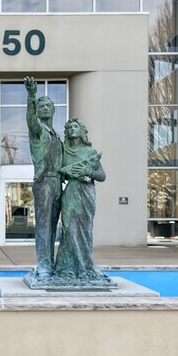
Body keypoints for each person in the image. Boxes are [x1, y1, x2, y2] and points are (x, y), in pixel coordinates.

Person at [53, 118, 112, 284]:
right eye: (69, 127)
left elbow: (102, 176)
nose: (72, 129)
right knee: (69, 229)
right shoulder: (63, 151)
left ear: (82, 131)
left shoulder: (90, 152)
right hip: (70, 192)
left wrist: (88, 171)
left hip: (86, 192)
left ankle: (86, 266)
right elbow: (59, 173)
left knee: (85, 230)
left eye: (75, 126)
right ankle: (66, 268)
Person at [24, 77, 63, 282]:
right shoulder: (38, 130)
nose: (45, 108)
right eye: (41, 106)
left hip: (58, 184)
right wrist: (32, 96)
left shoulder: (56, 135)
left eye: (48, 105)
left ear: (54, 110)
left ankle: (51, 263)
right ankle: (44, 266)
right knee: (44, 226)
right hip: (44, 182)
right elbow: (31, 119)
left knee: (54, 226)